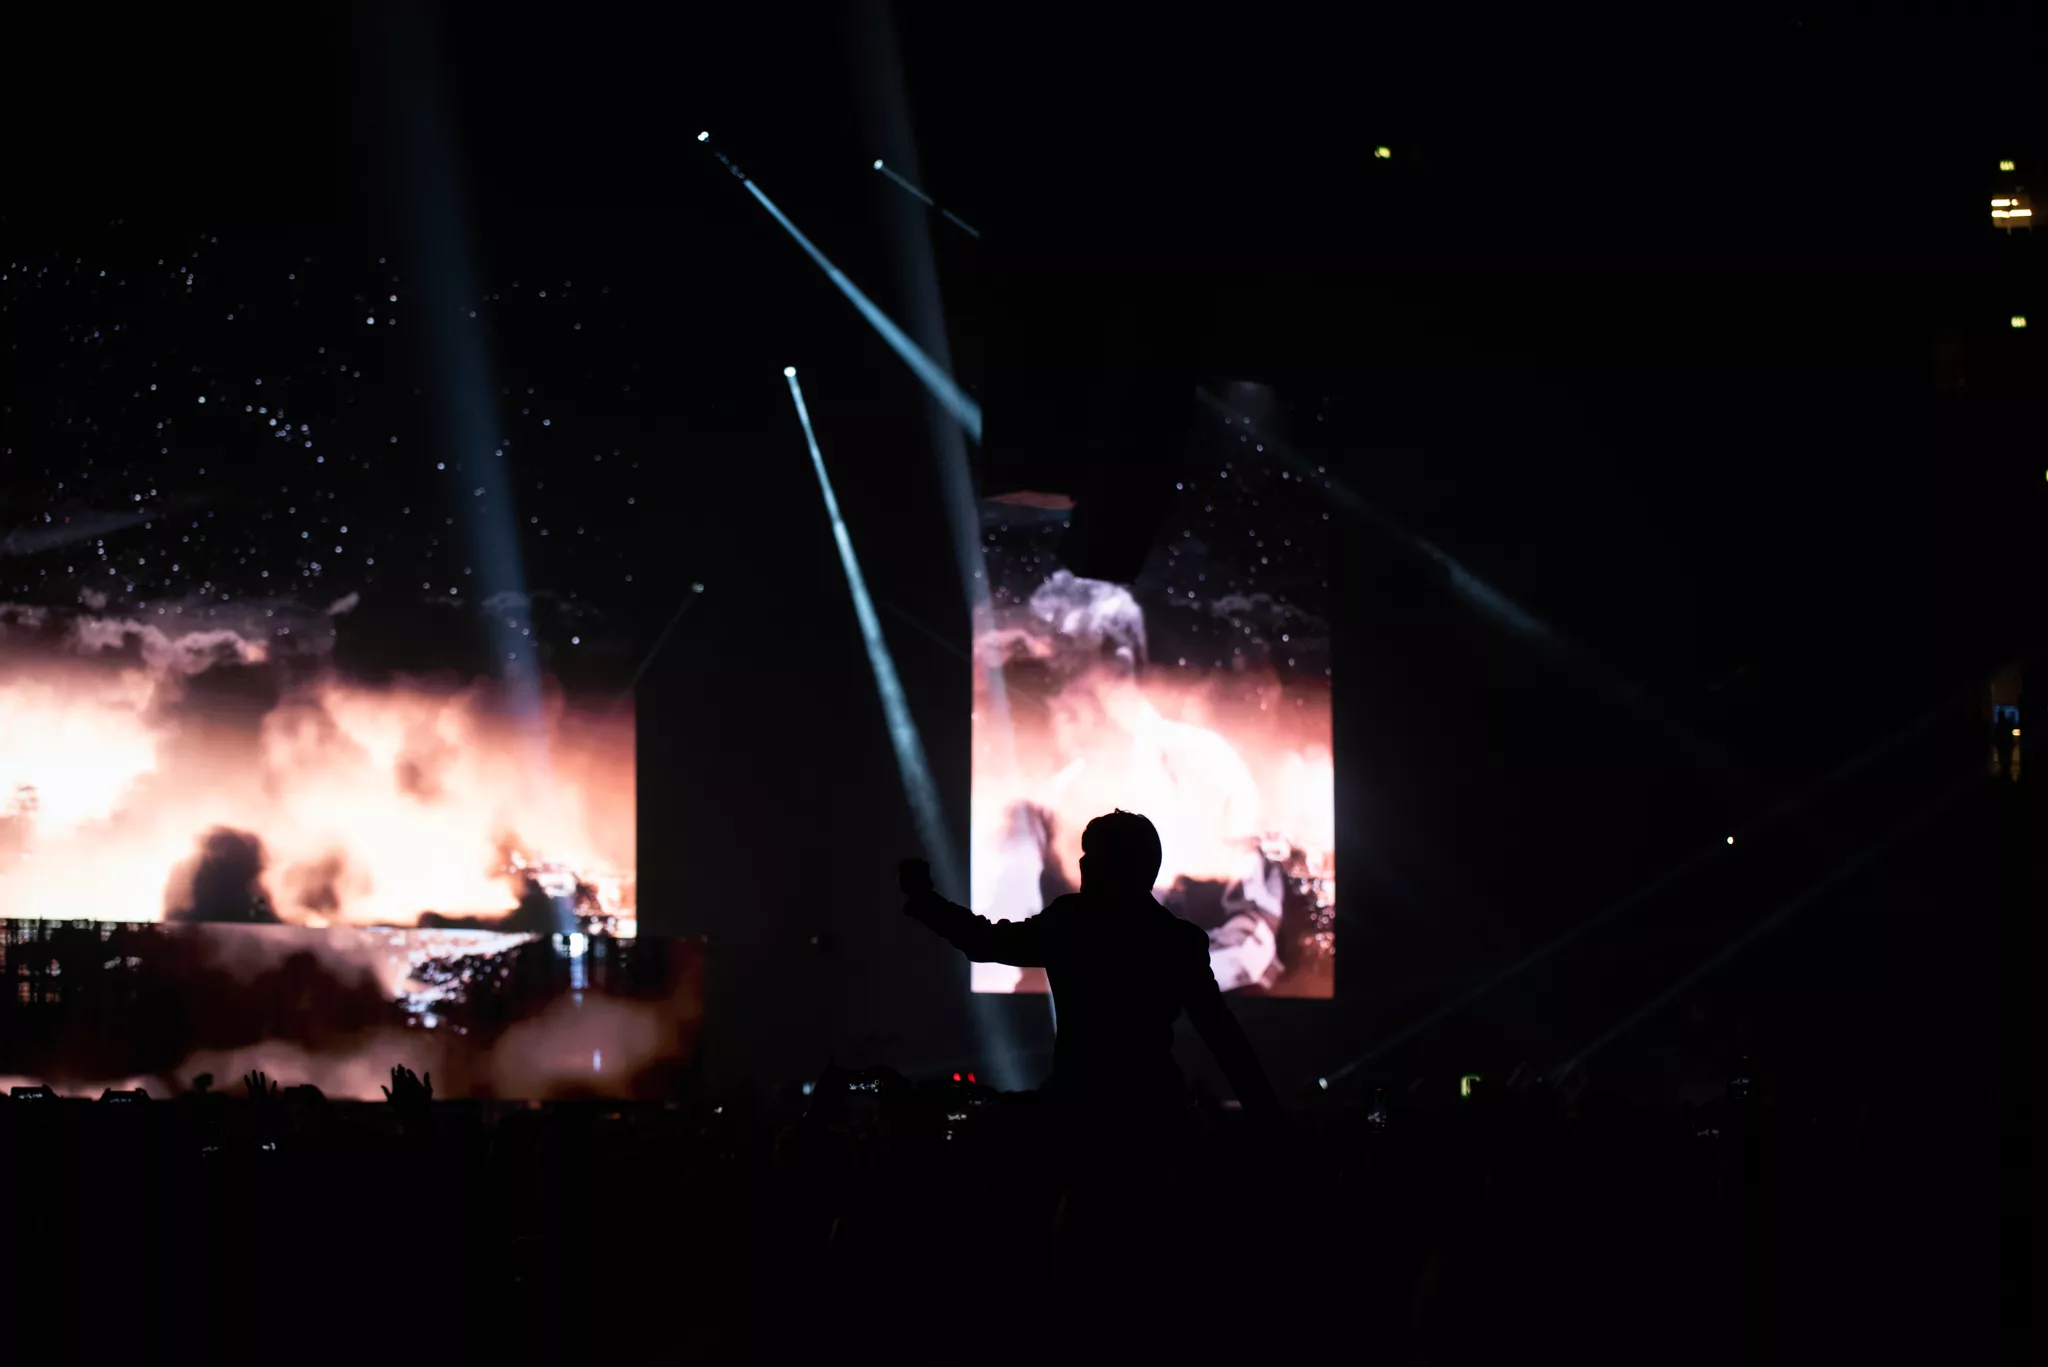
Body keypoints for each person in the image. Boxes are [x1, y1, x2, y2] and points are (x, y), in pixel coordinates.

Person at [899, 808, 1282, 1125]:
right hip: (1151, 1114)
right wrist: (1269, 1119)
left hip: (1079, 1111)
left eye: (1093, 853)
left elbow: (987, 942)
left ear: (1118, 864)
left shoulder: (1071, 922)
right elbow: (1222, 1035)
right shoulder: (1178, 940)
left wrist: (927, 901)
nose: (1082, 862)